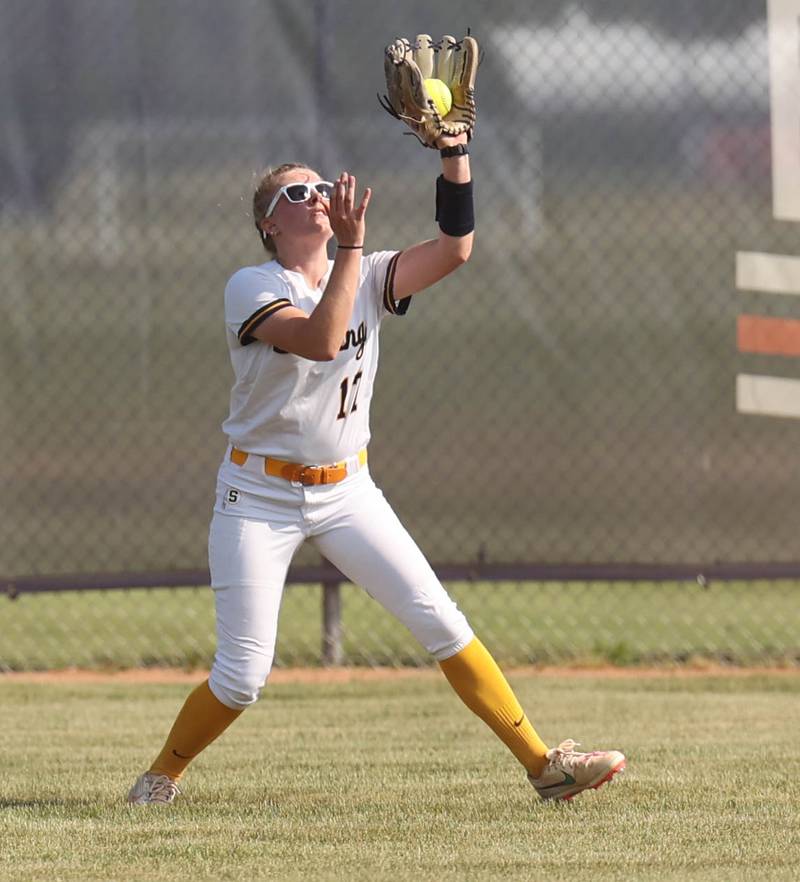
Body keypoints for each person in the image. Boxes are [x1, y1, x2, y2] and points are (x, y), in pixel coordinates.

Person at [127, 130, 625, 806]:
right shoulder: (251, 285)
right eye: (295, 192)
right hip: (258, 493)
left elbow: (455, 248)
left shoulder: (366, 270)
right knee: (243, 676)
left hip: (346, 490)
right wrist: (354, 252)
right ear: (270, 224)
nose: (317, 196)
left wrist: (455, 154)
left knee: (443, 624)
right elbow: (321, 339)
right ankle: (162, 775)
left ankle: (545, 767)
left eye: (320, 185)